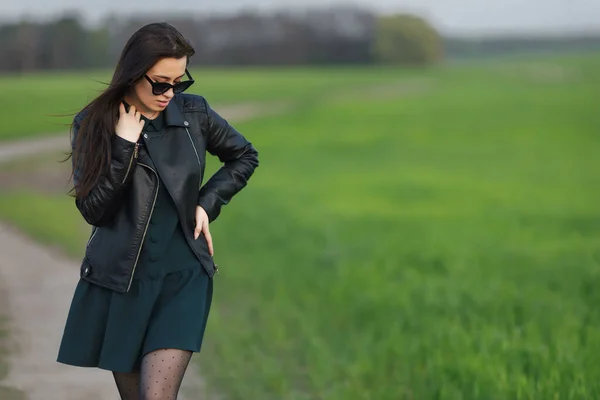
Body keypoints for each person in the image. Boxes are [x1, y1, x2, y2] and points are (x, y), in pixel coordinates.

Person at [56, 22, 259, 399]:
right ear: (133, 74)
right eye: (161, 82)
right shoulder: (93, 124)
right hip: (121, 282)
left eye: (179, 82)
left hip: (182, 277)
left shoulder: (193, 114)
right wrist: (123, 146)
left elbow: (244, 156)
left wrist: (206, 202)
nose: (170, 93)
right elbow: (94, 210)